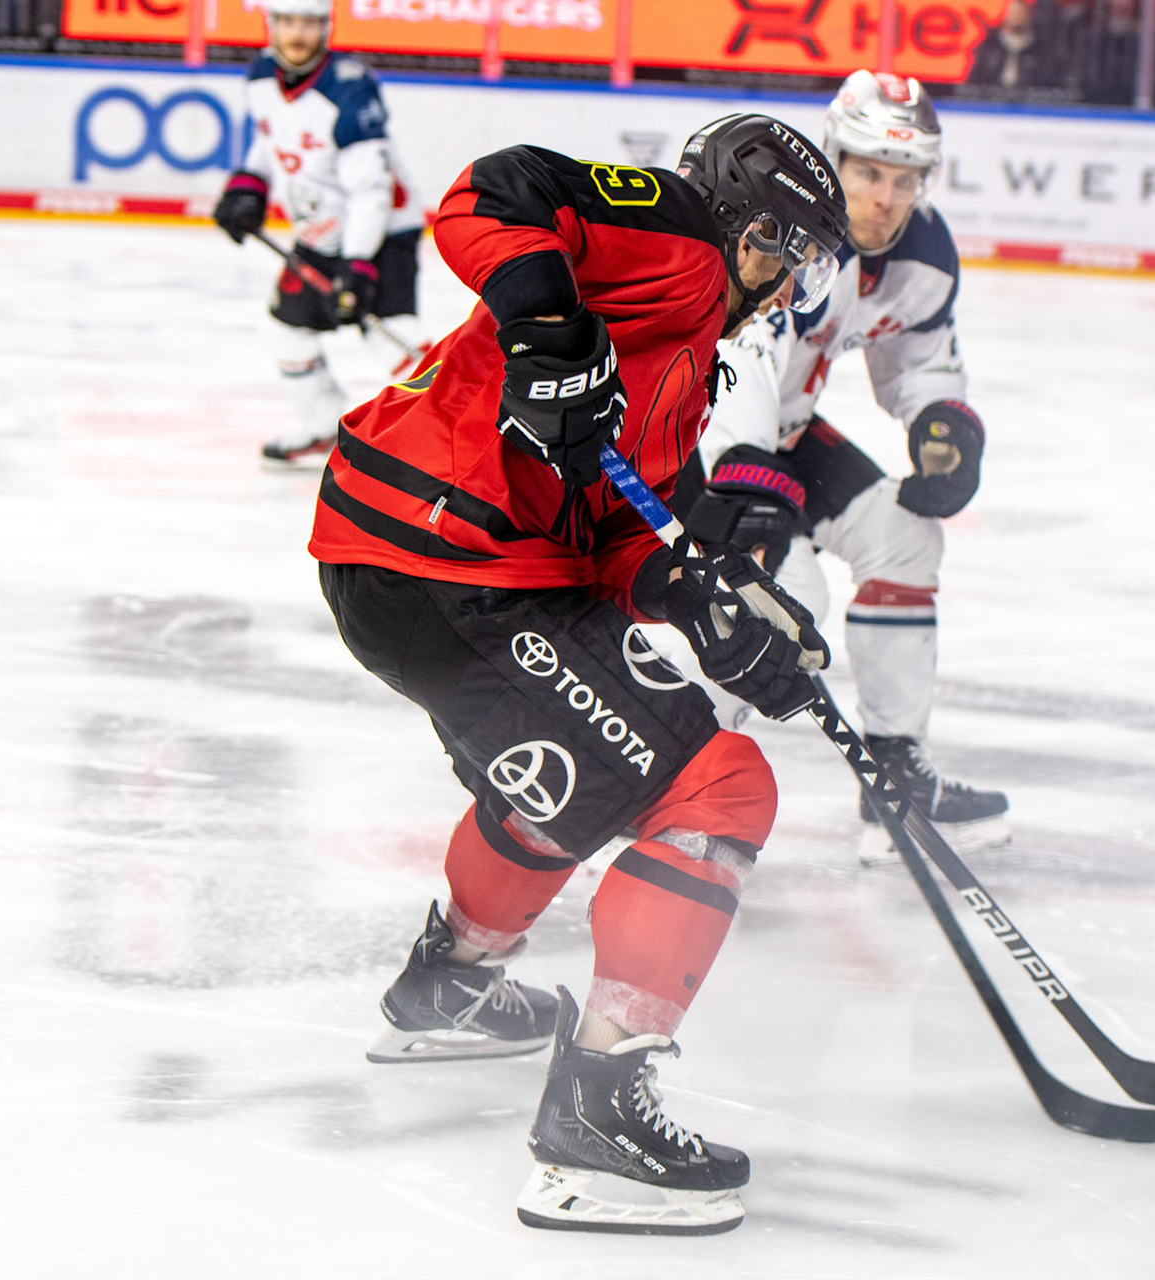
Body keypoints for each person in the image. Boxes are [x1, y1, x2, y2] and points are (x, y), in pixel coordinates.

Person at [309, 117, 847, 1234]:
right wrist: (548, 333)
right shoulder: (682, 238)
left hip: (417, 562)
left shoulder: (690, 365)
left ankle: (444, 989)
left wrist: (704, 603)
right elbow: (496, 190)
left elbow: (612, 533)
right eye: (790, 254)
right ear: (750, 229)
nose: (791, 287)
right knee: (720, 787)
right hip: (447, 559)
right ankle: (596, 1125)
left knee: (574, 775)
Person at [678, 71, 1010, 858]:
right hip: (693, 432)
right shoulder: (786, 225)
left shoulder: (924, 252)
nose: (886, 199)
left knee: (906, 538)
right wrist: (745, 471)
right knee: (781, 592)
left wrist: (943, 424)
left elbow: (920, 361)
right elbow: (743, 359)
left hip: (781, 436)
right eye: (867, 174)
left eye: (905, 180)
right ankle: (664, 771)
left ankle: (893, 771)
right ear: (835, 157)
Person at [211, 0, 427, 464]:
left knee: (392, 338)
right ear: (271, 24)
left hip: (381, 233)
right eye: (287, 22)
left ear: (326, 28)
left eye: (309, 23)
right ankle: (320, 426)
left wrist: (358, 265)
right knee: (288, 332)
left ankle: (448, 440)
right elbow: (270, 142)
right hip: (319, 234)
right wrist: (247, 187)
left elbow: (371, 190)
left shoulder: (350, 89)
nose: (297, 34)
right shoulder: (261, 77)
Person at [968, 0, 1070, 92]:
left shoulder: (1041, 48)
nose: (1015, 17)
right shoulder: (990, 46)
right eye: (1012, 13)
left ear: (1029, 16)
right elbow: (974, 81)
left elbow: (1047, 82)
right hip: (989, 102)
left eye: (1019, 13)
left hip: (1028, 104)